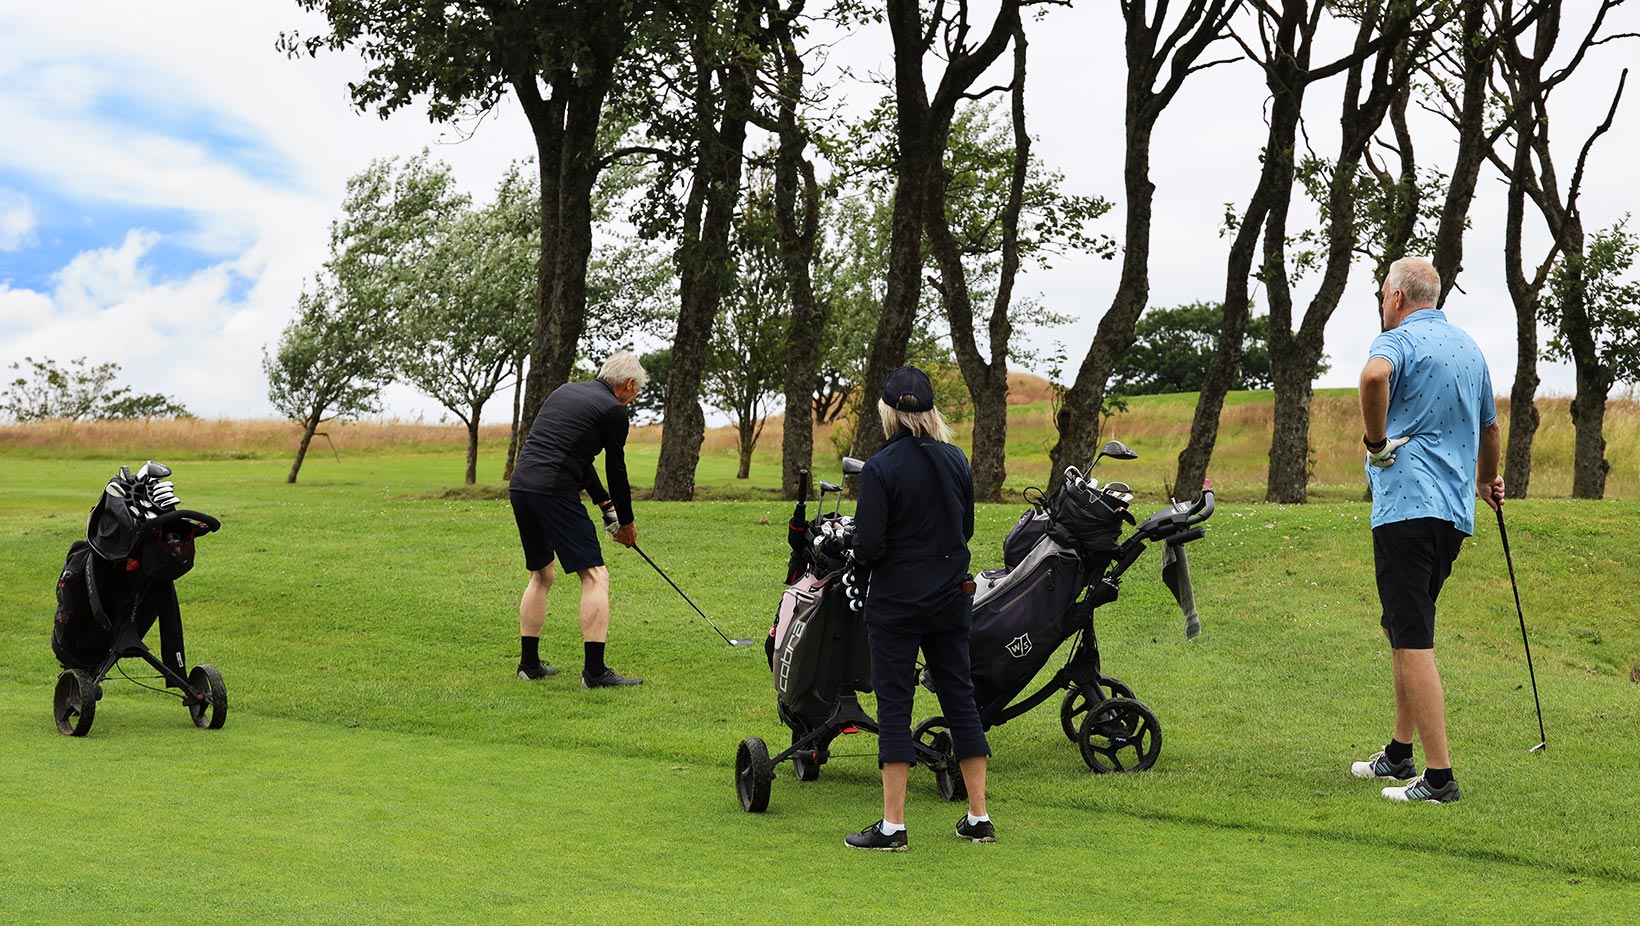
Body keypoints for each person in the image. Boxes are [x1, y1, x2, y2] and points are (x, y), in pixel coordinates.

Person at [1351, 257, 1503, 804]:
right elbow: (1489, 427)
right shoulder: (1469, 348)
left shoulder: (1396, 340)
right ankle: (1399, 752)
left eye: (1383, 293)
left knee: (1411, 636)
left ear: (1396, 297)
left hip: (1406, 508)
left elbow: (1372, 377)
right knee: (1400, 626)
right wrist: (1489, 482)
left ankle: (1439, 779)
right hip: (1451, 515)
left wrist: (1374, 443)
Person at [844, 365, 993, 850]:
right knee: (960, 699)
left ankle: (893, 827)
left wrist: (861, 567)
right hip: (951, 596)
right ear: (931, 411)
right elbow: (964, 527)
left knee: (894, 706)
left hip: (896, 603)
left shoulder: (880, 468)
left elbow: (869, 545)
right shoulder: (956, 460)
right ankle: (978, 816)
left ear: (888, 412)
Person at [508, 352, 646, 689]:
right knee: (596, 576)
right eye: (636, 392)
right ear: (628, 385)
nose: (633, 399)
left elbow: (577, 458)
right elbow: (616, 468)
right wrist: (626, 524)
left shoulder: (566, 392)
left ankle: (529, 665)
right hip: (554, 490)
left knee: (541, 573)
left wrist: (604, 504)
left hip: (521, 485)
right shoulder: (613, 411)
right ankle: (596, 674)